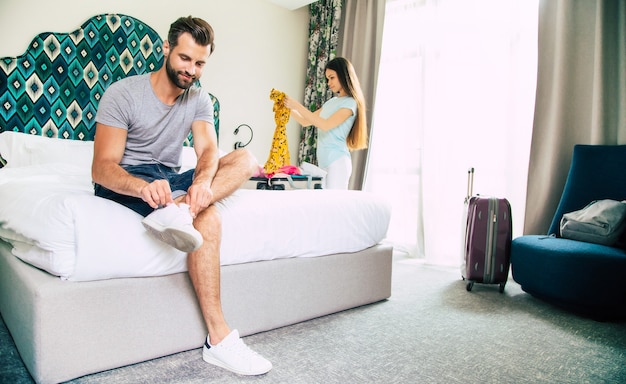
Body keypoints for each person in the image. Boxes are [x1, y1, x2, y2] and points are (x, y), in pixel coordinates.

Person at [91, 16, 272, 376]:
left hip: (171, 178)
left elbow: (208, 151)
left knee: (246, 159)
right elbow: (102, 168)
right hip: (131, 178)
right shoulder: (122, 93)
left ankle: (179, 211)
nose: (191, 69)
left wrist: (202, 185)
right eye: (185, 58)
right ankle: (219, 339)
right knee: (211, 218)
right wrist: (142, 188)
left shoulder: (199, 98)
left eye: (200, 63)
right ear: (166, 49)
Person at [284, 57, 368, 189]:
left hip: (337, 162)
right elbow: (305, 121)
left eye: (332, 77)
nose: (329, 83)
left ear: (343, 75)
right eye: (327, 79)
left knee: (333, 206)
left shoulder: (350, 103)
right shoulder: (331, 102)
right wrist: (288, 108)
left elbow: (325, 125)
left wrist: (297, 105)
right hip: (324, 163)